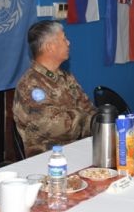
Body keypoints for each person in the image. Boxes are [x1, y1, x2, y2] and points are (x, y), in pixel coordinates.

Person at [13, 20, 96, 157]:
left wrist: (97, 119)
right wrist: (88, 119)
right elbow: (59, 128)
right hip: (47, 158)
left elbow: (89, 109)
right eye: (64, 39)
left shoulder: (66, 77)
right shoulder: (30, 85)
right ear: (50, 47)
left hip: (77, 151)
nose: (68, 43)